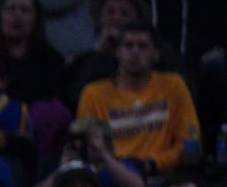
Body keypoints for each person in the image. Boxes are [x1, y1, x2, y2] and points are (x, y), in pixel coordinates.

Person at [74, 24, 201, 177]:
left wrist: (152, 164)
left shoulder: (174, 85)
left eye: (143, 46)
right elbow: (86, 148)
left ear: (156, 54)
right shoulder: (93, 94)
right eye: (128, 46)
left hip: (163, 177)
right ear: (117, 52)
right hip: (111, 179)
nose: (134, 52)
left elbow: (190, 142)